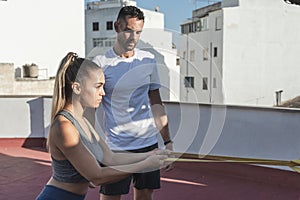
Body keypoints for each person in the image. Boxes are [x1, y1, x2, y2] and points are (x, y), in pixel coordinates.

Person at [35, 52, 170, 200]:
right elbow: (96, 176)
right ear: (77, 88)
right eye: (98, 87)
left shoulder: (82, 121)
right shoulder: (64, 126)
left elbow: (109, 158)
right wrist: (144, 164)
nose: (103, 93)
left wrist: (150, 154)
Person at [92, 6, 174, 200]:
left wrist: (168, 142)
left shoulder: (148, 60)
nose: (133, 37)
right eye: (128, 30)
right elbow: (90, 109)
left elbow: (156, 103)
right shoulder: (101, 62)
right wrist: (92, 149)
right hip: (116, 148)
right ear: (117, 27)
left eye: (138, 32)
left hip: (148, 145)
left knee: (145, 197)